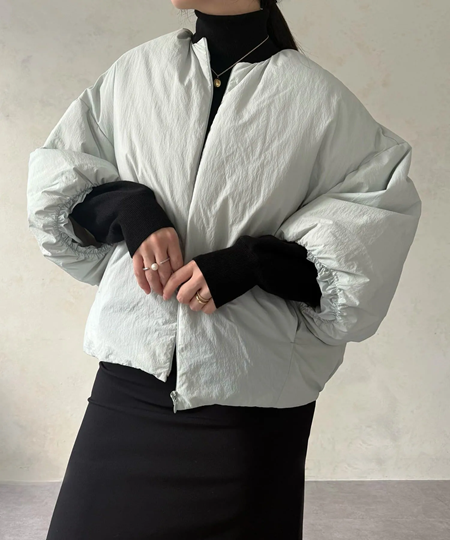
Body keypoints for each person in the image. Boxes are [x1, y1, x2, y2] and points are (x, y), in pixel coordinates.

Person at [26, 1, 422, 539]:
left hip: (247, 405)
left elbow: (365, 252)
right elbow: (59, 185)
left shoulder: (320, 101)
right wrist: (129, 208)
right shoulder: (135, 74)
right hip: (131, 383)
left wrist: (253, 263)